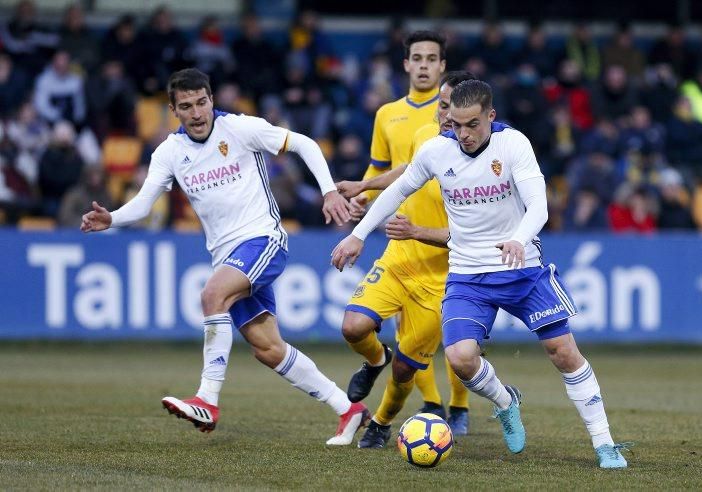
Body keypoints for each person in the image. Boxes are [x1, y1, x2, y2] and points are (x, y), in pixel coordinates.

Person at [331, 80, 629, 468]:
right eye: (455, 124)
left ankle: (604, 444)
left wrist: (520, 239)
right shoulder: (437, 151)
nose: (464, 134)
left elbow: (539, 206)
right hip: (468, 274)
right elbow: (397, 191)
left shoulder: (514, 145)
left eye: (472, 124)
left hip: (521, 269)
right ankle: (507, 402)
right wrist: (357, 235)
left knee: (562, 352)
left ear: (490, 116)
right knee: (460, 357)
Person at [80, 68, 369, 445]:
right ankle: (348, 408)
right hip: (227, 256)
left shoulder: (239, 128)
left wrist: (329, 191)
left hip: (262, 240)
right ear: (173, 110)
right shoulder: (170, 152)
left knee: (211, 296)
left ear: (212, 100)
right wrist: (113, 218)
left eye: (202, 102)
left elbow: (305, 144)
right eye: (186, 106)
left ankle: (207, 400)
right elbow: (144, 204)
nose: (197, 113)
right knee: (268, 349)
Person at [338, 31, 469, 449]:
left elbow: (470, 233)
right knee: (354, 326)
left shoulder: (485, 159)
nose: (443, 114)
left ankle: (381, 421)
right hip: (399, 255)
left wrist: (414, 229)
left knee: (407, 370)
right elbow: (401, 177)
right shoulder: (416, 133)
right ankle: (379, 360)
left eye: (449, 107)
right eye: (442, 107)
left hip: (442, 278)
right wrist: (363, 197)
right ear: (407, 64)